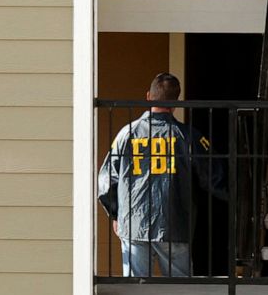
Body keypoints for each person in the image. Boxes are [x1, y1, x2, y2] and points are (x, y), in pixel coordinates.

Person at [97, 73, 226, 277]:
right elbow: (215, 177)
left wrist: (116, 213)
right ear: (176, 103)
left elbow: (106, 180)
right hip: (175, 223)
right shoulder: (187, 136)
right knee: (179, 289)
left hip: (134, 224)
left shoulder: (126, 134)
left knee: (136, 289)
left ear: (148, 96)